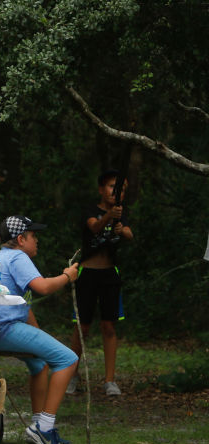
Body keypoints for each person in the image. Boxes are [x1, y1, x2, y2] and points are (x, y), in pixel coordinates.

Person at [0, 216, 81, 444]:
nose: (37, 240)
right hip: (3, 327)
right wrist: (67, 276)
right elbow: (42, 287)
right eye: (33, 236)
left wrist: (39, 336)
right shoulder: (18, 257)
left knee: (39, 361)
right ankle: (43, 427)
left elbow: (22, 305)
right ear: (21, 239)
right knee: (68, 359)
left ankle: (40, 427)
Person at [69, 170, 134, 397]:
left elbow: (128, 233)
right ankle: (71, 375)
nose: (117, 192)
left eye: (122, 189)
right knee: (82, 328)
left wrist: (121, 228)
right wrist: (109, 217)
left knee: (108, 326)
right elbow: (94, 227)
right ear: (101, 189)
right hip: (87, 274)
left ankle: (109, 380)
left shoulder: (121, 214)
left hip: (109, 275)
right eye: (112, 187)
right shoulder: (91, 211)